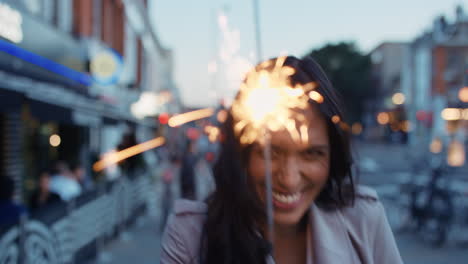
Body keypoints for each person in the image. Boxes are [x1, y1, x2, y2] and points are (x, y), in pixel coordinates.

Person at [160, 56, 403, 264]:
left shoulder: (363, 222)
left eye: (312, 154)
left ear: (333, 156)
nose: (289, 179)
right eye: (271, 153)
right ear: (240, 154)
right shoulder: (191, 236)